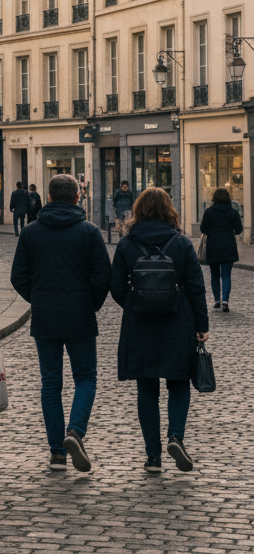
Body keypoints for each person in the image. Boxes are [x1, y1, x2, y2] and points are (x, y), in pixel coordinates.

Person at [11, 173, 111, 472]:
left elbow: (18, 277)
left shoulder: (31, 233)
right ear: (77, 198)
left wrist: (38, 298)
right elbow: (104, 277)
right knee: (86, 378)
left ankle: (57, 452)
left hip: (46, 317)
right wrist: (90, 302)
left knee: (51, 384)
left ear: (49, 198)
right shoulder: (90, 232)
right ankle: (75, 431)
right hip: (80, 314)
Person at [110, 188, 209, 473]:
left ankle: (153, 457)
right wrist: (201, 325)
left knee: (147, 389)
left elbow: (116, 286)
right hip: (178, 322)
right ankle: (175, 436)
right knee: (178, 382)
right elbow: (195, 287)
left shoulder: (127, 244)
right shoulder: (180, 243)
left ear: (139, 209)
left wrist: (135, 303)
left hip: (140, 325)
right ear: (169, 210)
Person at [200, 187, 243, 312]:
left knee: (214, 275)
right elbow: (239, 229)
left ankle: (217, 300)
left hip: (213, 245)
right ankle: (225, 301)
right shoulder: (233, 213)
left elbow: (203, 228)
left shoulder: (209, 212)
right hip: (228, 245)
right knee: (226, 275)